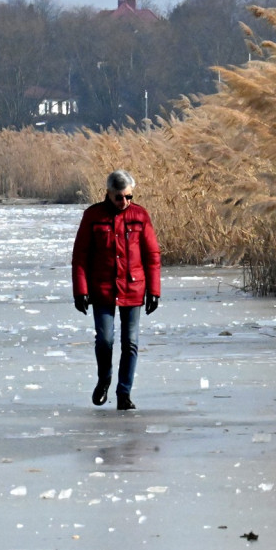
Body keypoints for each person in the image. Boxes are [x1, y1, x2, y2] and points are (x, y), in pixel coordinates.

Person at [71, 169, 161, 411]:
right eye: (119, 197)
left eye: (129, 197)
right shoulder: (93, 216)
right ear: (108, 194)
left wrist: (154, 290)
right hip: (102, 288)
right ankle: (104, 379)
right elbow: (80, 256)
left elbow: (152, 255)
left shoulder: (140, 216)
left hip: (133, 287)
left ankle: (124, 393)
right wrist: (80, 290)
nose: (124, 202)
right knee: (105, 340)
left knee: (130, 342)